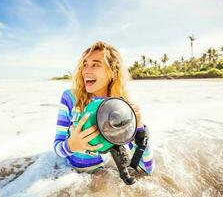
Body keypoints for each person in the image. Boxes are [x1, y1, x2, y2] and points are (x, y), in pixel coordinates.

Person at [53, 41, 154, 175]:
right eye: (85, 64)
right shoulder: (70, 98)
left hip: (100, 172)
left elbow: (147, 169)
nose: (86, 71)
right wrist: (71, 145)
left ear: (113, 71)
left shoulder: (119, 109)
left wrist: (139, 127)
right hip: (68, 173)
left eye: (95, 64)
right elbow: (57, 148)